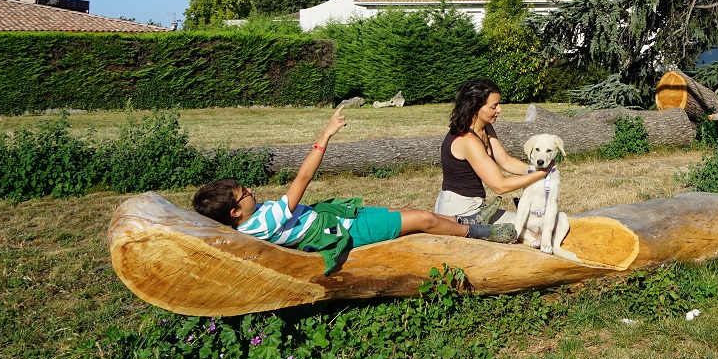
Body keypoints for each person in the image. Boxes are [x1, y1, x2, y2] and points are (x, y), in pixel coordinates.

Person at [192, 106, 507, 274]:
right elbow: (302, 179)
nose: (249, 191)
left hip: (336, 217)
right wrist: (324, 137)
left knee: (411, 214)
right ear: (235, 212)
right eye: (243, 193)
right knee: (421, 219)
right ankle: (477, 232)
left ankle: (462, 224)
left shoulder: (248, 222)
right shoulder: (264, 221)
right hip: (345, 229)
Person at [435, 78, 547, 233]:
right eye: (494, 106)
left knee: (535, 226)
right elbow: (499, 186)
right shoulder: (467, 140)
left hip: (475, 208)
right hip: (459, 213)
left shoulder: (485, 128)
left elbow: (505, 160)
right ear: (475, 108)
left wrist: (536, 168)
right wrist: (541, 174)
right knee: (531, 230)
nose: (499, 109)